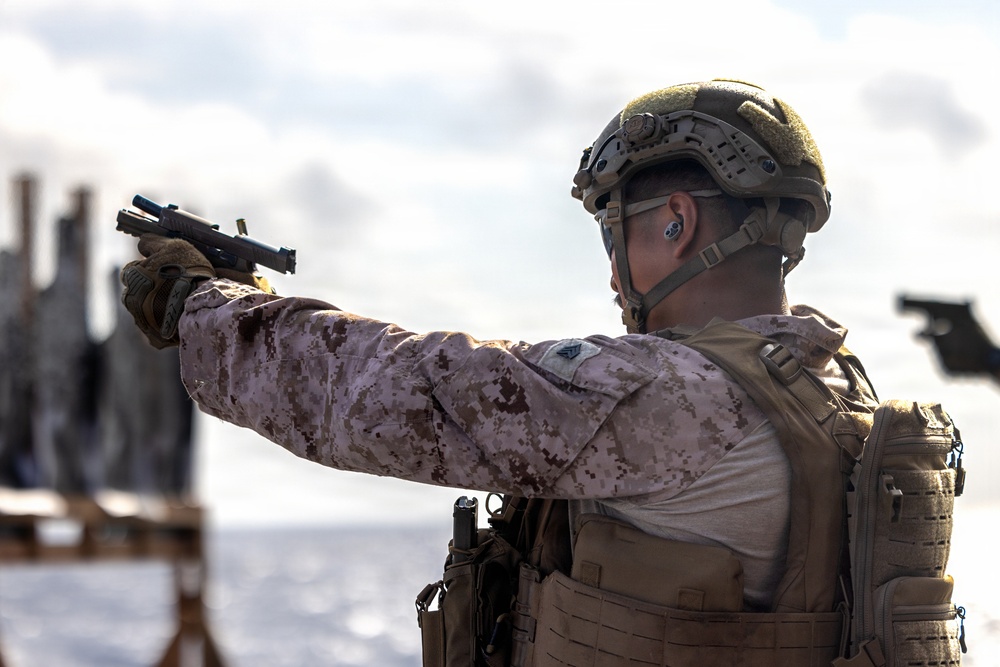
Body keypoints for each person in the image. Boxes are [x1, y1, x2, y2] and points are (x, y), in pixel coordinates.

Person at [120, 79, 879, 662]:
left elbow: (398, 390)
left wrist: (204, 311)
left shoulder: (677, 396)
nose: (615, 276)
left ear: (677, 222)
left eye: (617, 234)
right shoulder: (835, 384)